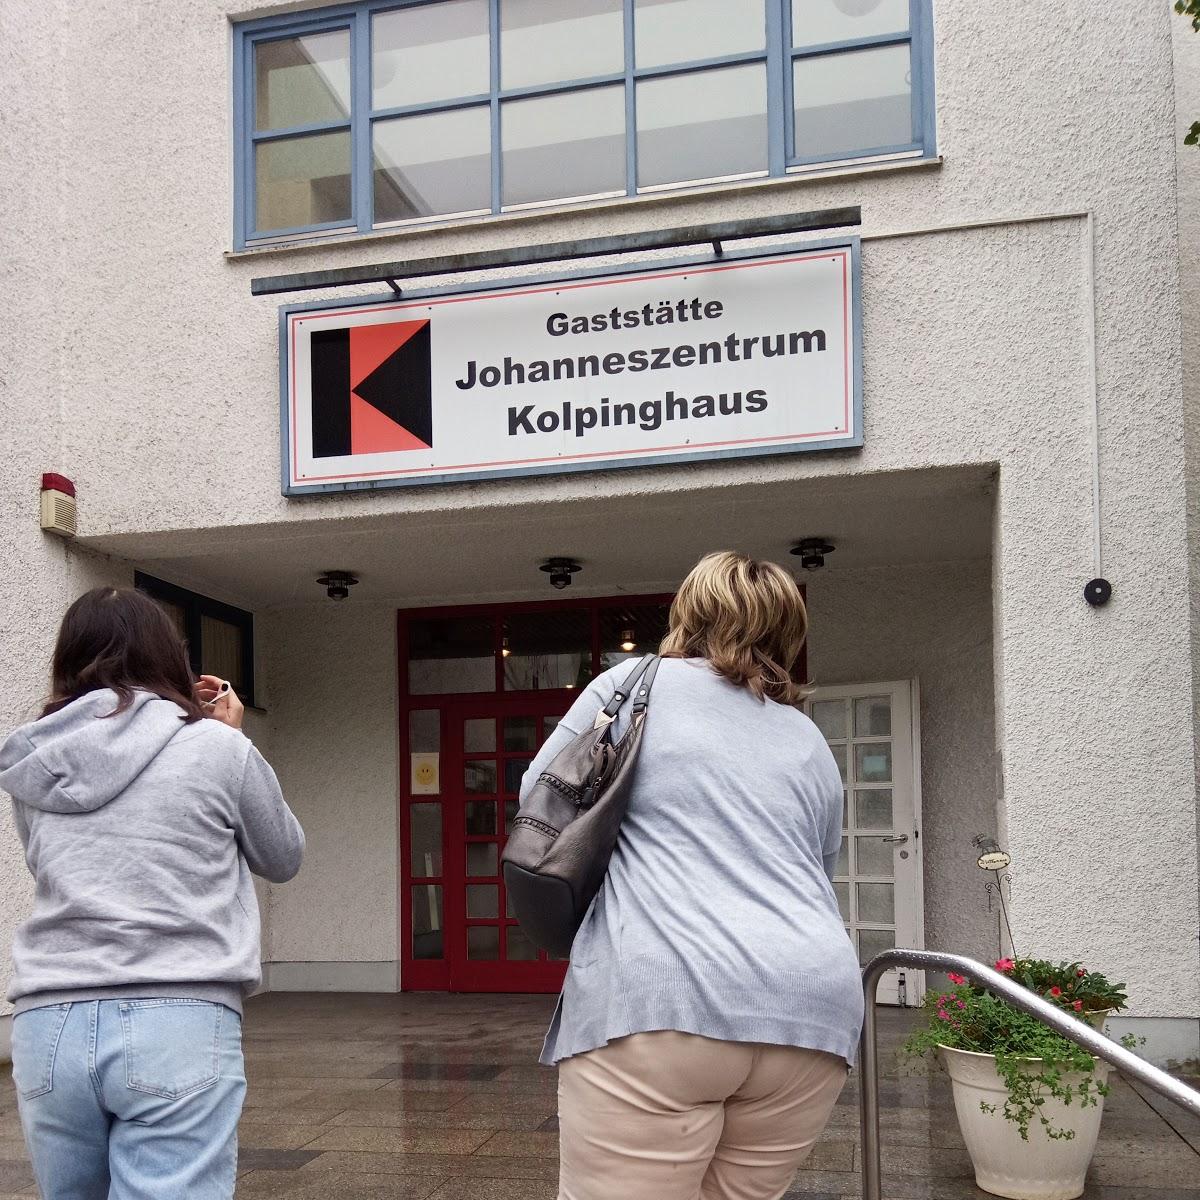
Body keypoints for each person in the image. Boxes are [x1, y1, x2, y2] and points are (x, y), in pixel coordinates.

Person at [523, 551, 863, 1200]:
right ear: (786, 636)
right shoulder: (807, 740)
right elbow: (817, 872)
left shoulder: (629, 687)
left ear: (690, 614)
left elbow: (540, 802)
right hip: (812, 1016)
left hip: (663, 997)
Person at [0, 586, 304, 1200]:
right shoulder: (219, 748)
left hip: (47, 1020)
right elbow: (283, 855)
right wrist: (233, 740)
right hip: (177, 1013)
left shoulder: (38, 758)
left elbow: (50, 867)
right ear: (172, 657)